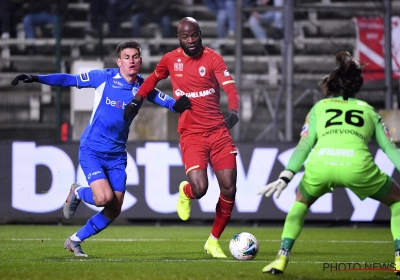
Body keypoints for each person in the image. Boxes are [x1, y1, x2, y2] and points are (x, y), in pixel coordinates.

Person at [11, 40, 191, 257]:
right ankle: (77, 191)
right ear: (119, 61)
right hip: (92, 150)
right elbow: (69, 80)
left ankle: (74, 240)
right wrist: (37, 78)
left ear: (140, 60)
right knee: (103, 198)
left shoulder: (143, 87)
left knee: (114, 209)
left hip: (116, 156)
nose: (131, 61)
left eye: (135, 57)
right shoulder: (104, 77)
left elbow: (167, 102)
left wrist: (180, 105)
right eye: (126, 57)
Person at [258, 51, 400, 275]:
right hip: (357, 166)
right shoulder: (369, 111)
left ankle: (281, 258)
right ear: (356, 86)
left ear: (332, 83)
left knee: (300, 202)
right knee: (397, 201)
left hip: (321, 164)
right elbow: (389, 148)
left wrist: (286, 176)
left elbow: (304, 146)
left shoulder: (319, 108)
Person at [124, 17, 240, 258]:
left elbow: (230, 88)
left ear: (200, 34)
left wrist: (233, 111)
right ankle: (186, 192)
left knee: (229, 188)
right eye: (186, 37)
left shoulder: (213, 58)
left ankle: (213, 241)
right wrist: (137, 99)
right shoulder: (170, 59)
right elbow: (153, 80)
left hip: (219, 132)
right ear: (179, 38)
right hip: (192, 134)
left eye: (194, 35)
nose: (191, 41)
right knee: (200, 189)